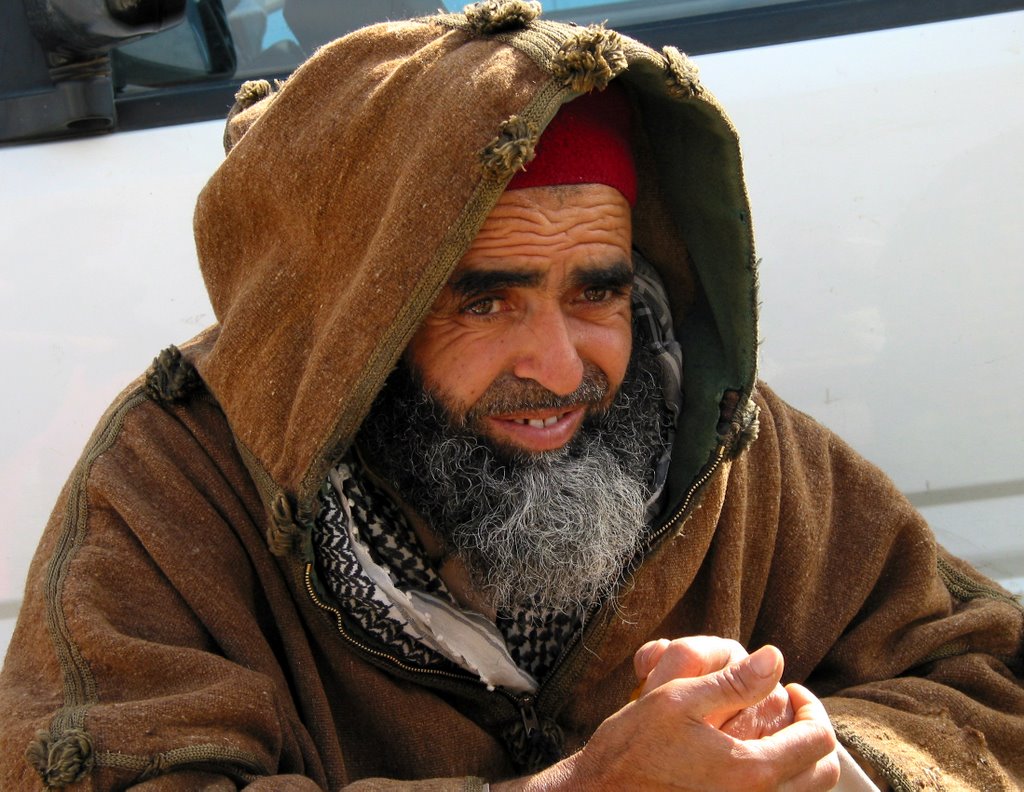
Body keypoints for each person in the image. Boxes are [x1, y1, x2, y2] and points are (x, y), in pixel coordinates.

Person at [2, 3, 1022, 790]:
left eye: (597, 292)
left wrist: (814, 752)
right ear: (366, 321)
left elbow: (985, 682)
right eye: (484, 303)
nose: (559, 363)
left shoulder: (723, 447)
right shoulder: (176, 484)